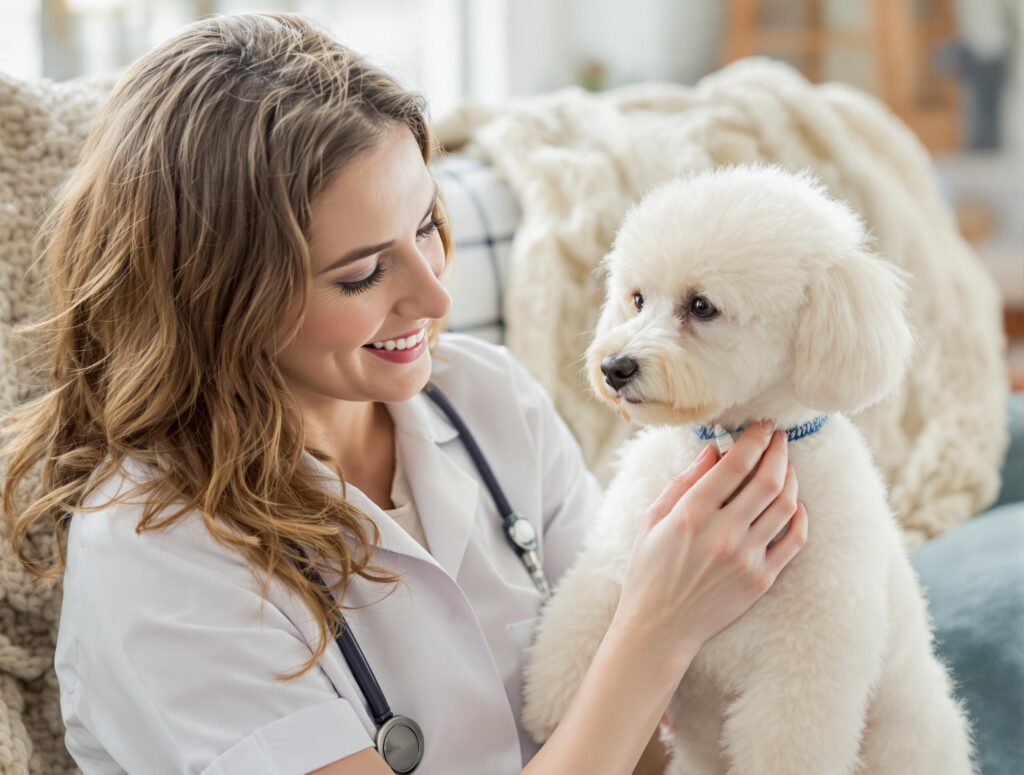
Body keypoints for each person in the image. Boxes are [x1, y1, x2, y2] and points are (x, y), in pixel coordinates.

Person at [0, 12, 807, 775]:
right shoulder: (157, 558)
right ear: (214, 299)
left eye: (426, 226)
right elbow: (638, 653)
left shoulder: (489, 400)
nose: (434, 298)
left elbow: (650, 746)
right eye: (362, 272)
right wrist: (659, 630)